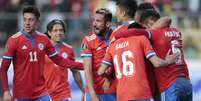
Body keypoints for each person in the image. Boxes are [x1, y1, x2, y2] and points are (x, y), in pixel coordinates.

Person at [0, 6, 83, 101]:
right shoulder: (13, 40)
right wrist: (6, 91)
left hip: (41, 93)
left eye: (31, 20)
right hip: (21, 94)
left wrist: (84, 65)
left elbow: (59, 60)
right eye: (25, 19)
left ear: (37, 22)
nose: (27, 23)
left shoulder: (44, 39)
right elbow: (3, 68)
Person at [113, 10, 192, 101]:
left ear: (150, 22)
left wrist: (116, 35)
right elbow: (168, 19)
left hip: (170, 83)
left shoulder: (154, 33)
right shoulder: (176, 31)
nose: (144, 29)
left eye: (144, 26)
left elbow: (134, 31)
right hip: (186, 82)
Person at [98, 31, 178, 101]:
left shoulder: (113, 45)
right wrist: (168, 61)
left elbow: (101, 71)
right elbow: (157, 63)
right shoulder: (141, 39)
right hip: (141, 93)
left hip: (122, 95)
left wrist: (108, 79)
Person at [81, 8, 117, 101]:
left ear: (108, 24)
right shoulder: (88, 40)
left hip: (113, 90)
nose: (94, 24)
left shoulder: (116, 36)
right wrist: (92, 94)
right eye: (94, 20)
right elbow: (87, 69)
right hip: (94, 91)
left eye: (98, 21)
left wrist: (108, 78)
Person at [44, 19, 85, 101]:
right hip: (45, 93)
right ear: (49, 33)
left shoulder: (68, 49)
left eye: (61, 30)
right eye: (55, 30)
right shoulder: (42, 48)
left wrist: (83, 91)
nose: (58, 33)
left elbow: (75, 72)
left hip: (63, 93)